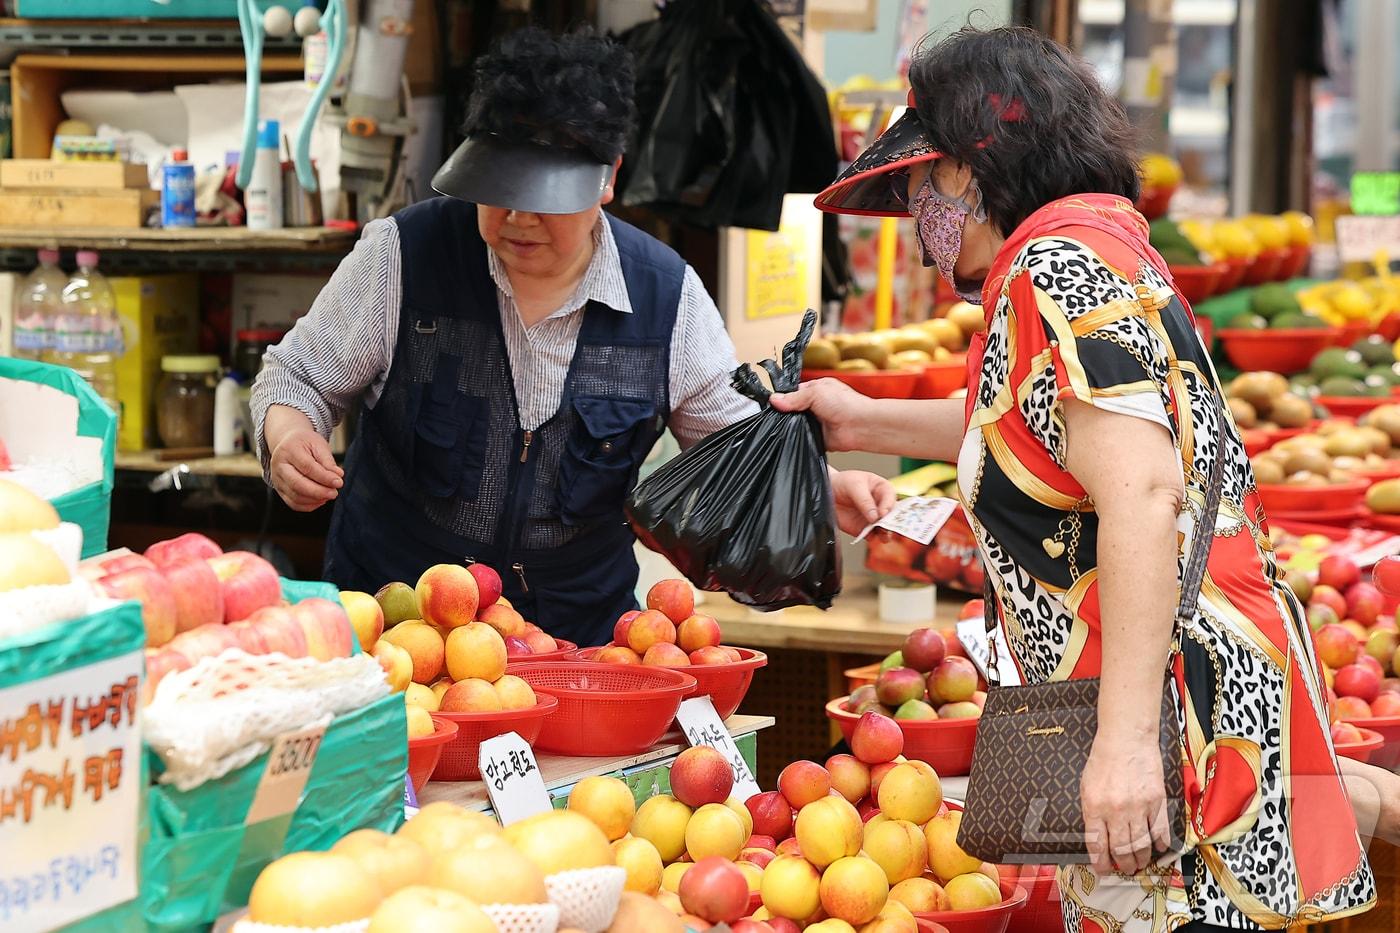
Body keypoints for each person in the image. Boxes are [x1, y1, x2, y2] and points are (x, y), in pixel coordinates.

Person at [780, 25, 1396, 932]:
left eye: (920, 191)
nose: (918, 227)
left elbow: (1140, 492)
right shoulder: (1093, 251)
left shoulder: (1054, 272)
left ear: (971, 171)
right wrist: (859, 418)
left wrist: (1125, 743)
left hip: (1177, 725)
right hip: (1191, 699)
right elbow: (1040, 425)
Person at [251, 27, 891, 647]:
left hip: (579, 644)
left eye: (546, 197)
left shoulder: (665, 295)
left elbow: (734, 448)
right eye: (498, 191)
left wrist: (818, 487)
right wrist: (288, 435)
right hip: (398, 632)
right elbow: (297, 378)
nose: (518, 218)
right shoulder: (404, 255)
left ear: (608, 178)